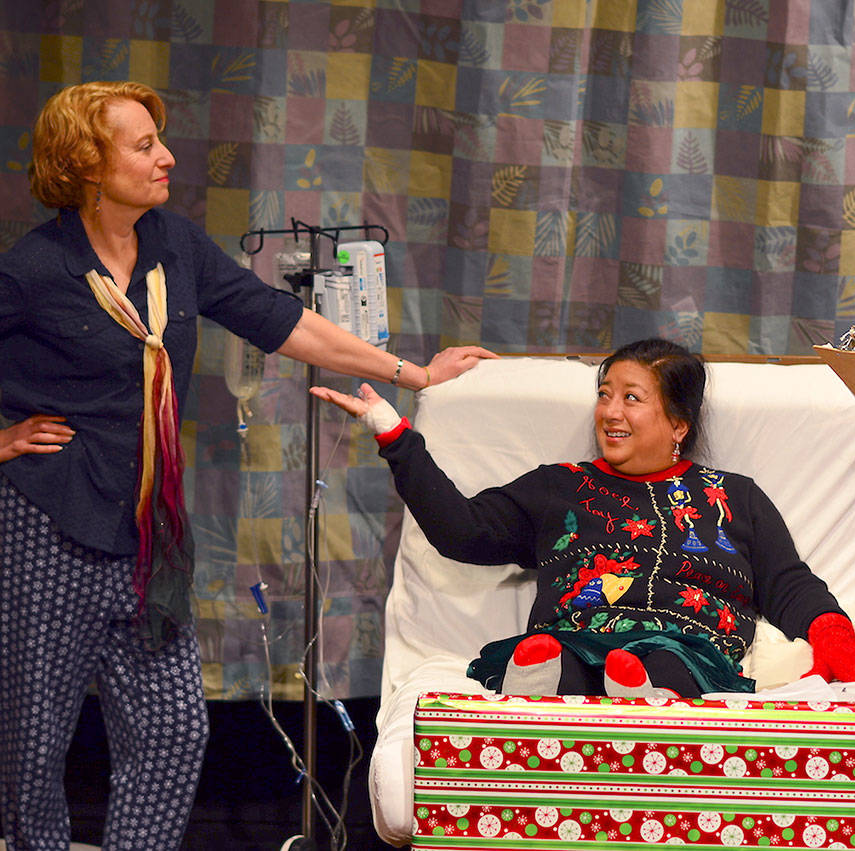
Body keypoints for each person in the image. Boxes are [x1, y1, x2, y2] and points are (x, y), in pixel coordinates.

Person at [0, 81, 494, 850]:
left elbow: (285, 322)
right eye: (143, 146)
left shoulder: (173, 246)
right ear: (87, 165)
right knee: (31, 747)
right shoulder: (36, 268)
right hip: (50, 525)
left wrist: (416, 375)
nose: (166, 157)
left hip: (146, 533)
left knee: (171, 732)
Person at [312, 338, 855, 698]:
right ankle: (545, 695)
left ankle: (641, 695)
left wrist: (836, 641)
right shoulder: (558, 487)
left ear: (679, 426)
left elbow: (787, 583)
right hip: (573, 637)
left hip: (688, 645)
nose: (610, 412)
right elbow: (463, 531)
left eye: (632, 399)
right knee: (554, 659)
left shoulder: (734, 497)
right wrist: (395, 436)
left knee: (663, 660)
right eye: (605, 394)